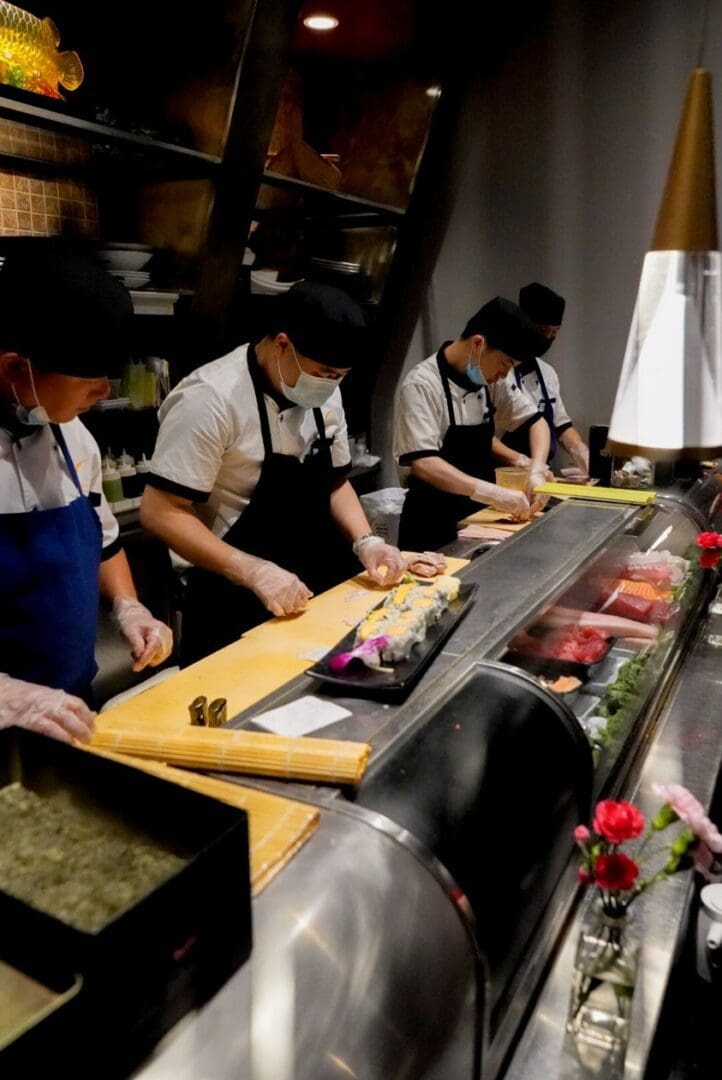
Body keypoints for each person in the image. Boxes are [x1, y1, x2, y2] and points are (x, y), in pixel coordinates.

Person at [141, 281, 408, 666]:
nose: (332, 385)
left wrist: (366, 540)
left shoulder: (322, 389)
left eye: (340, 376)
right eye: (325, 373)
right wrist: (253, 571)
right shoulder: (210, 398)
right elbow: (160, 510)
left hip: (313, 590)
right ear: (283, 344)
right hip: (233, 601)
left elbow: (334, 482)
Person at [0, 245, 173, 746]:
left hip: (69, 711)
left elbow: (102, 539)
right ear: (16, 368)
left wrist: (128, 605)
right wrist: (8, 695)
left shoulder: (71, 434)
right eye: (89, 381)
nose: (102, 393)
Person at [394, 297, 551, 552]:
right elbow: (424, 464)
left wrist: (535, 468)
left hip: (479, 519)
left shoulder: (493, 381)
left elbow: (536, 422)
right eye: (505, 364)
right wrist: (492, 493)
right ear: (478, 344)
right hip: (431, 523)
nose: (504, 374)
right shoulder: (422, 384)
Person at [494, 282, 589, 477]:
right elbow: (481, 436)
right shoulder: (495, 371)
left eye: (554, 332)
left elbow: (560, 425)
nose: (549, 338)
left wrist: (582, 452)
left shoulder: (547, 373)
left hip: (538, 474)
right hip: (499, 474)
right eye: (544, 330)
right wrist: (522, 461)